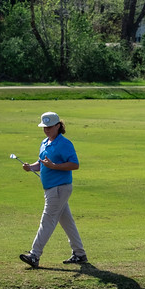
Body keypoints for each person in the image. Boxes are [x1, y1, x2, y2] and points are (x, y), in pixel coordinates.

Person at [19, 112, 87, 268]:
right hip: (51, 188)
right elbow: (41, 163)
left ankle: (34, 255)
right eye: (44, 127)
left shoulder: (65, 144)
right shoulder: (45, 142)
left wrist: (55, 167)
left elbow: (74, 165)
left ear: (58, 126)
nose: (46, 130)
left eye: (49, 127)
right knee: (67, 221)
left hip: (59, 188)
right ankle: (79, 254)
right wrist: (31, 167)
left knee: (47, 220)